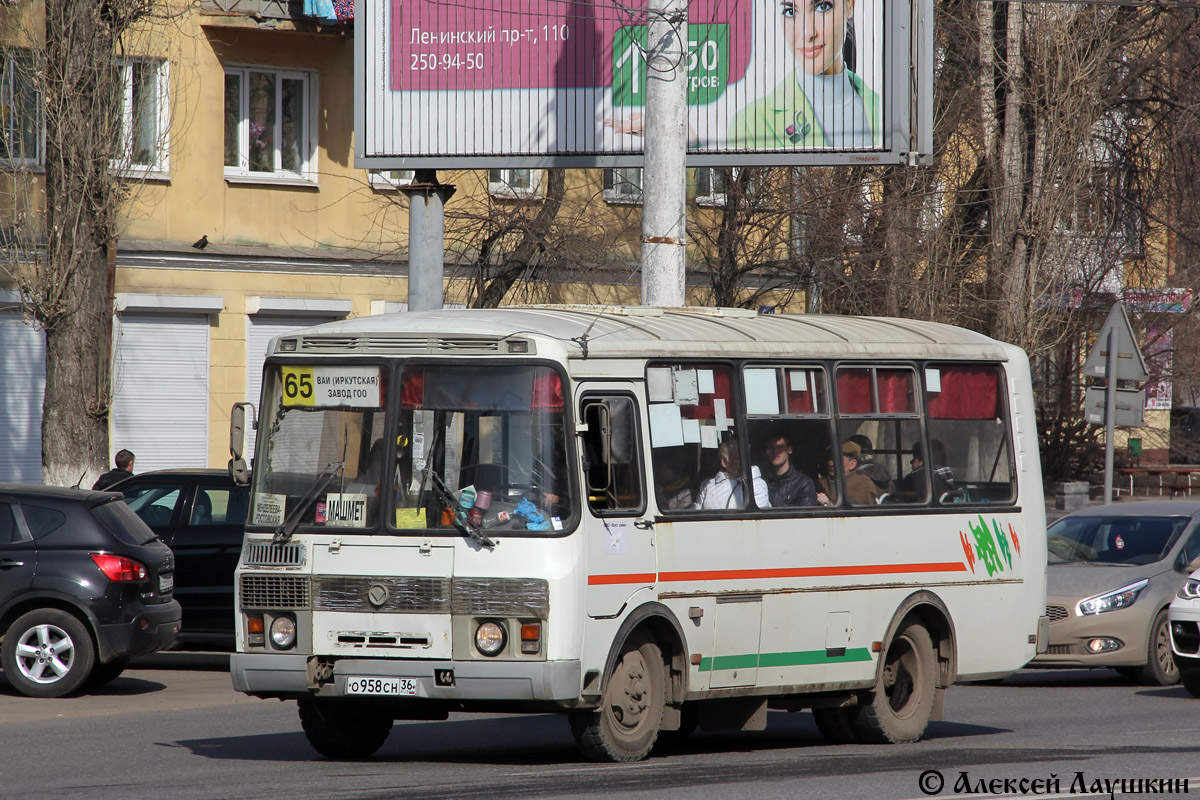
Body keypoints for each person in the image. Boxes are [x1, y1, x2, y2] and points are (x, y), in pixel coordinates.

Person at [729, 0, 881, 150]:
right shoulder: (749, 124)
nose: (807, 33)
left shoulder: (882, 110)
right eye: (790, 11)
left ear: (849, 5)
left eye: (822, 7)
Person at [694, 439, 771, 510]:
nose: (742, 462)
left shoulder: (757, 484)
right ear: (724, 461)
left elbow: (757, 517)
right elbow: (695, 514)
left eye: (744, 457)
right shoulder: (707, 485)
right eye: (738, 458)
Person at [761, 432, 819, 506]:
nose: (775, 451)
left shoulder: (803, 484)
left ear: (789, 449)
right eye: (771, 448)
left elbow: (806, 515)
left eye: (780, 447)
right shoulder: (762, 482)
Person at [817, 439, 877, 506]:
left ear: (852, 465)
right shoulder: (820, 482)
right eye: (830, 459)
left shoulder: (863, 482)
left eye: (837, 460)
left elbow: (856, 508)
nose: (831, 464)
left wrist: (830, 504)